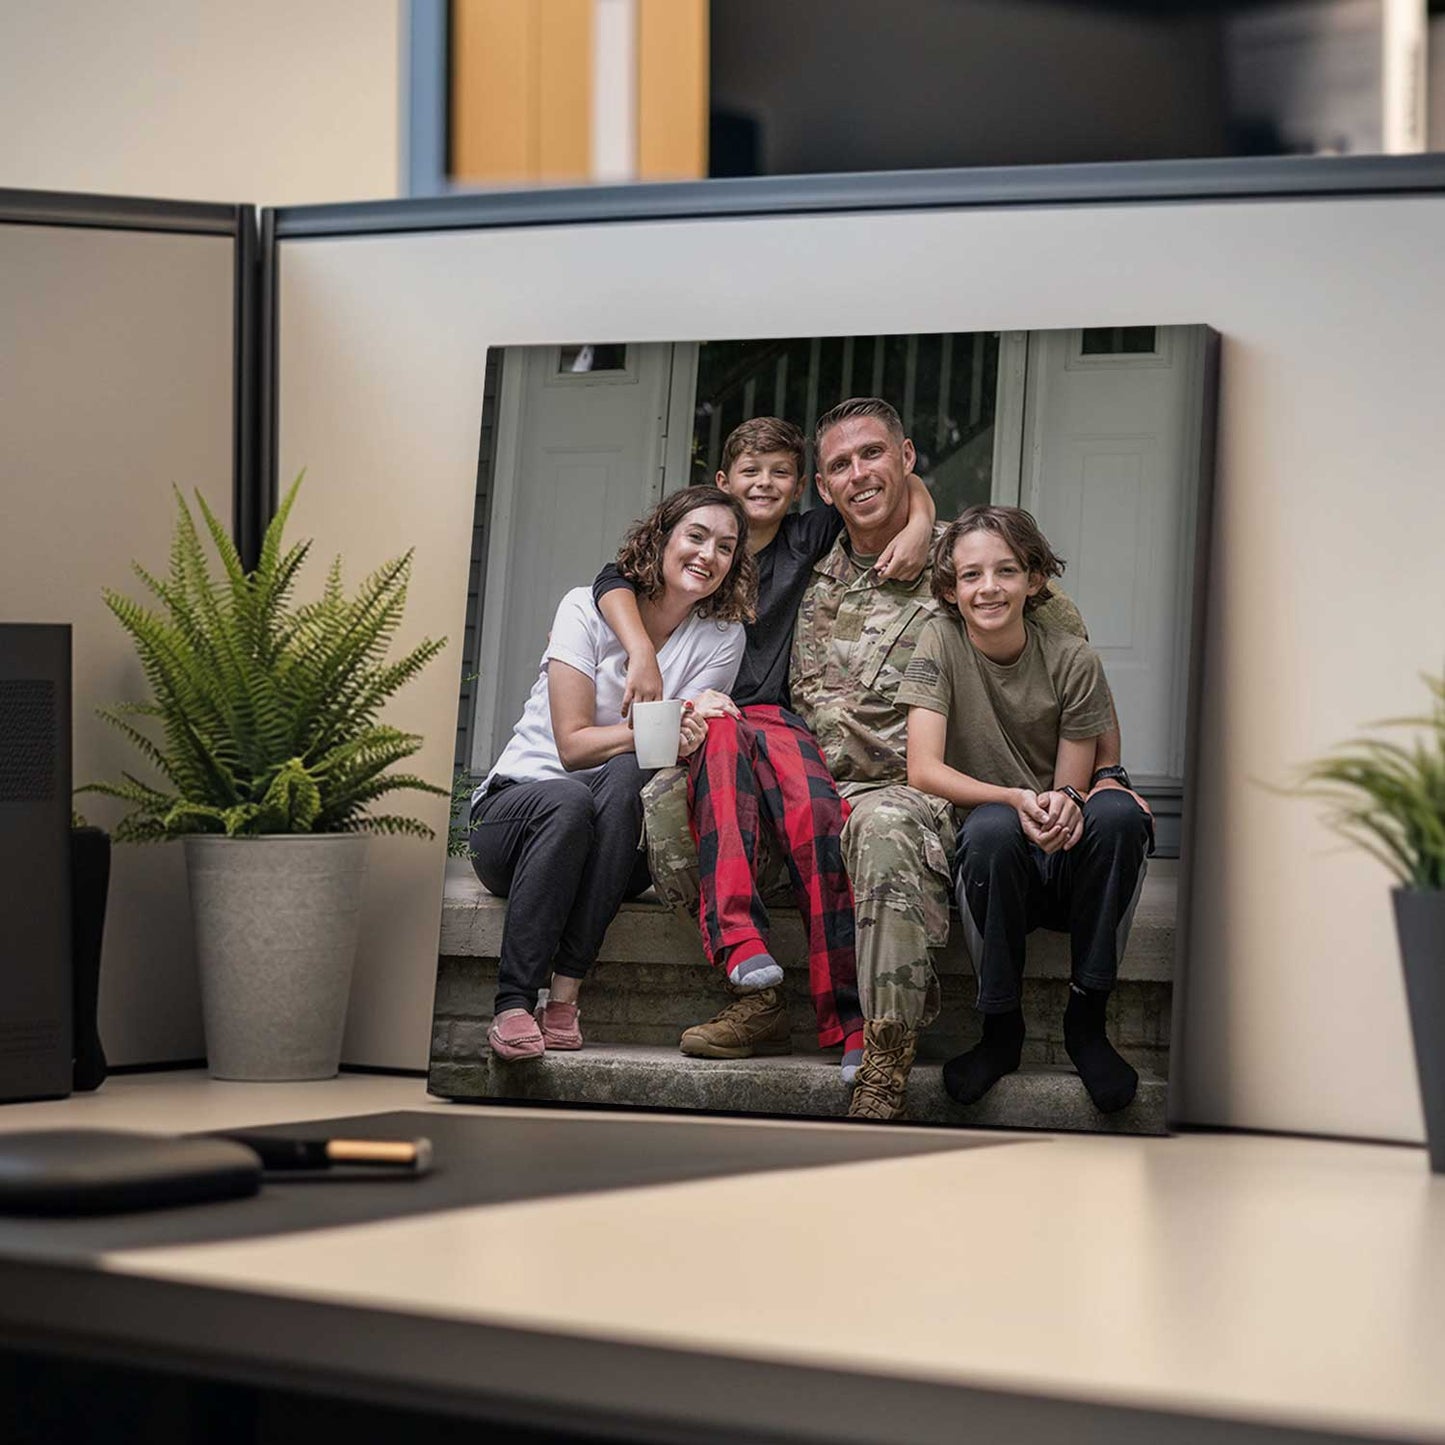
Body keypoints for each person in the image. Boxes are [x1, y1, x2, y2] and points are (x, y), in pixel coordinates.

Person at [592, 417, 935, 1081]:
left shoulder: (807, 534)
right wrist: (639, 648)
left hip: (775, 715)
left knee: (816, 812)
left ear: (802, 487)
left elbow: (899, 485)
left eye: (780, 473)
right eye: (749, 472)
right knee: (717, 749)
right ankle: (739, 943)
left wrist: (919, 521)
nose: (765, 484)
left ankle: (851, 1019)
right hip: (707, 714)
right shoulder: (703, 541)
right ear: (721, 483)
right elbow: (614, 574)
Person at [468, 487, 753, 1061]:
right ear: (662, 538)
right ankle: (514, 1004)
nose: (708, 555)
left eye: (725, 547)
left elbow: (677, 747)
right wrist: (668, 723)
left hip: (613, 842)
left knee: (627, 776)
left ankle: (565, 996)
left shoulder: (724, 639)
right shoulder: (583, 608)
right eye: (695, 536)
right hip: (514, 819)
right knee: (572, 799)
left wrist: (682, 733)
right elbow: (572, 747)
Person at [900, 506, 1154, 1114]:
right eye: (970, 576)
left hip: (1065, 864)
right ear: (950, 589)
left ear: (1034, 579)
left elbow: (1070, 790)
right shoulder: (938, 640)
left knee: (1118, 817)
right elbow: (923, 768)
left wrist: (1068, 804)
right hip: (995, 866)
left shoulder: (1073, 659)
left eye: (1006, 571)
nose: (988, 588)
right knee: (990, 825)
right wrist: (1013, 798)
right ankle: (1000, 1029)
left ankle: (1086, 1021)